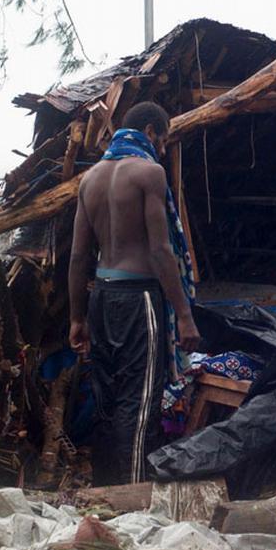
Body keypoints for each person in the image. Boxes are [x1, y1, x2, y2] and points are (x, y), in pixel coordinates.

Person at [68, 101, 201, 485]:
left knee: (107, 398)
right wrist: (185, 316)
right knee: (139, 400)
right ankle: (133, 496)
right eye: (164, 140)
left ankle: (104, 488)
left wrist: (77, 318)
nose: (163, 149)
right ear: (151, 130)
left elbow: (79, 257)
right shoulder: (149, 173)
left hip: (101, 298)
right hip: (139, 298)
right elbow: (161, 250)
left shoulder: (90, 179)